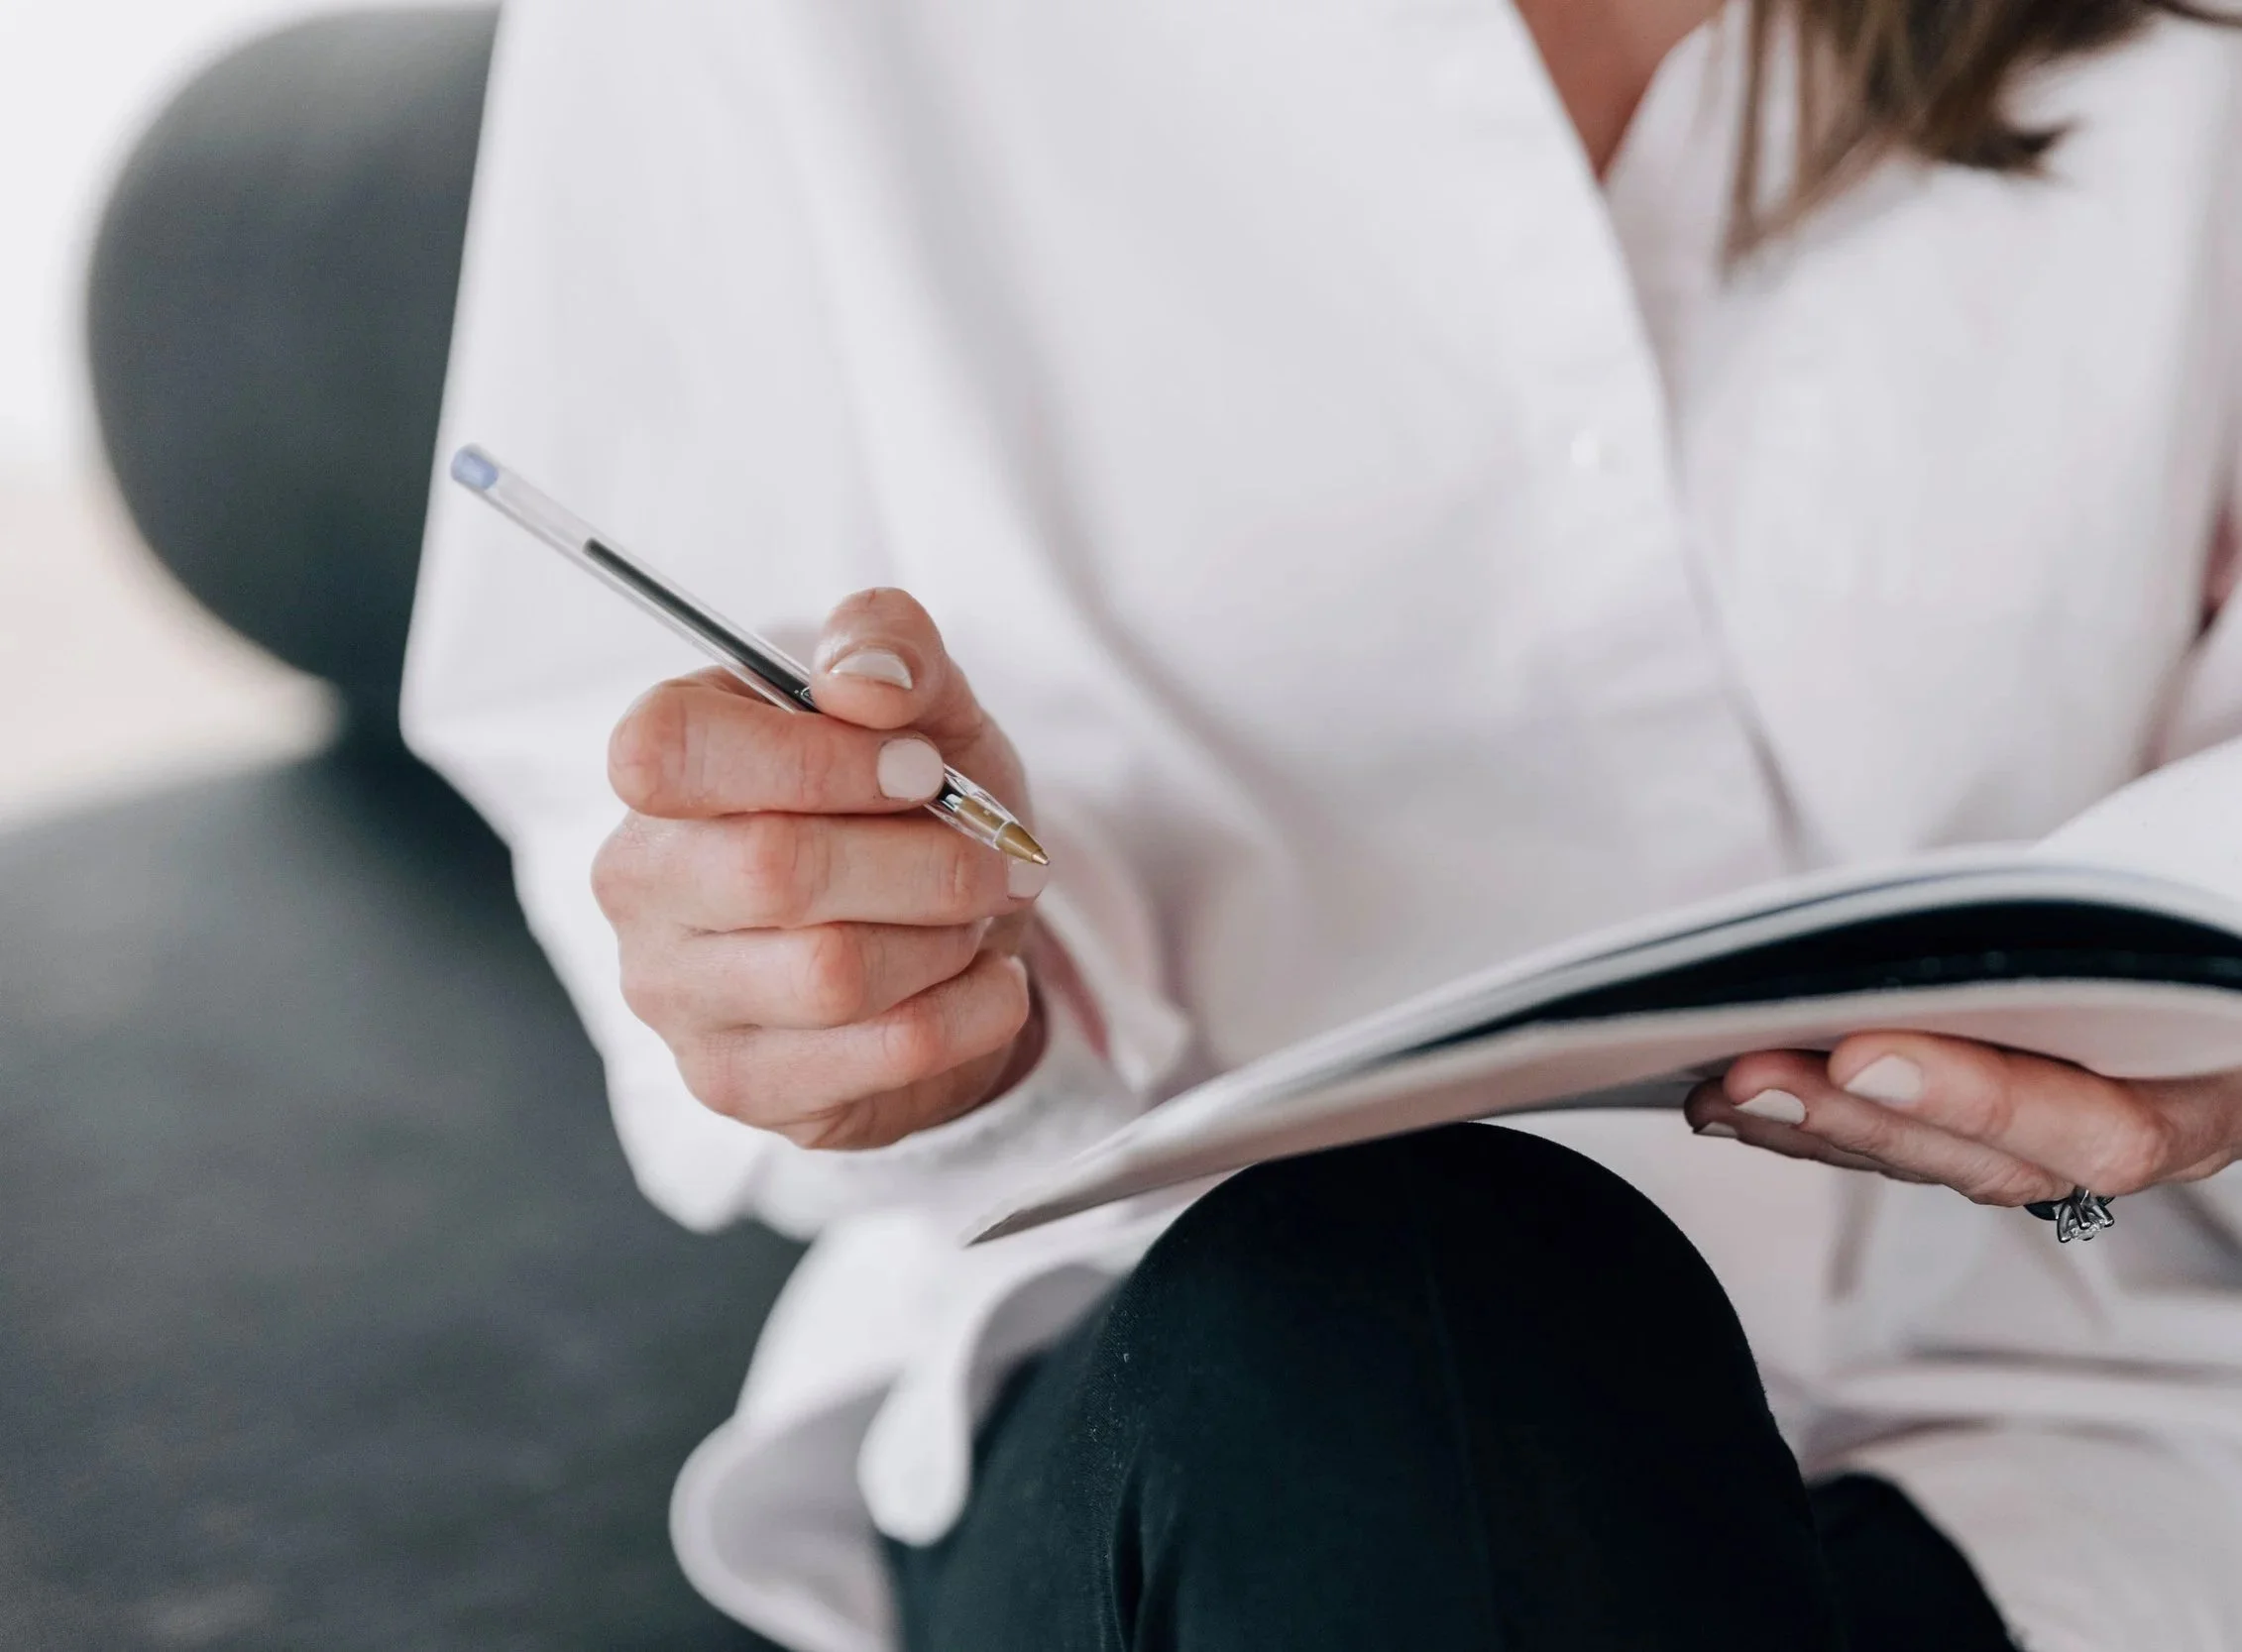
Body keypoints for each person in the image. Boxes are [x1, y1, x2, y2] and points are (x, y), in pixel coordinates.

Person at [402, 1, 2242, 1647]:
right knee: (1426, 1312)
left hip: (2073, 1411)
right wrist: (863, 991)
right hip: (1257, 1403)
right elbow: (624, 783)